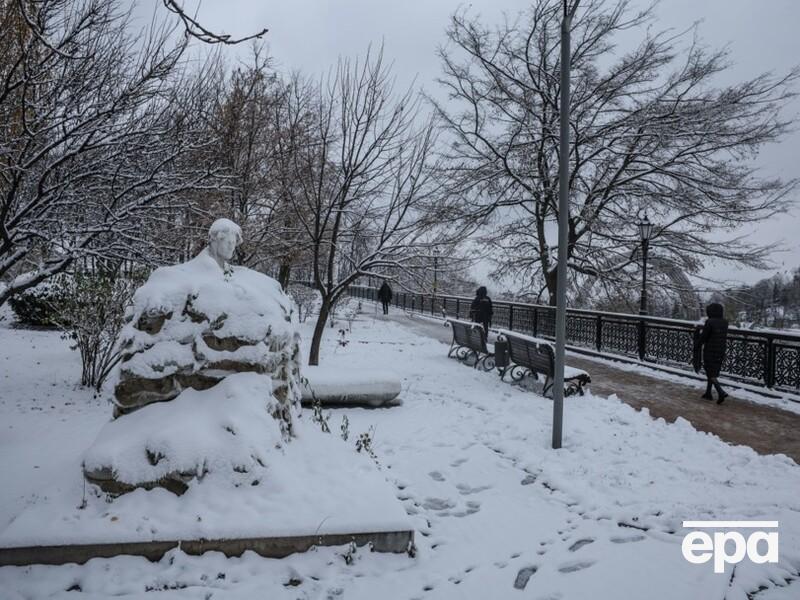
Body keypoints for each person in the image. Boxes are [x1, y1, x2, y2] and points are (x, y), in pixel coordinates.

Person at [695, 302, 729, 404]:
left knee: (709, 371)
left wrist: (697, 345)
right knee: (713, 371)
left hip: (710, 350)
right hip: (721, 349)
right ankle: (708, 393)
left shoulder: (709, 322)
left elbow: (705, 336)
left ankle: (720, 391)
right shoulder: (725, 322)